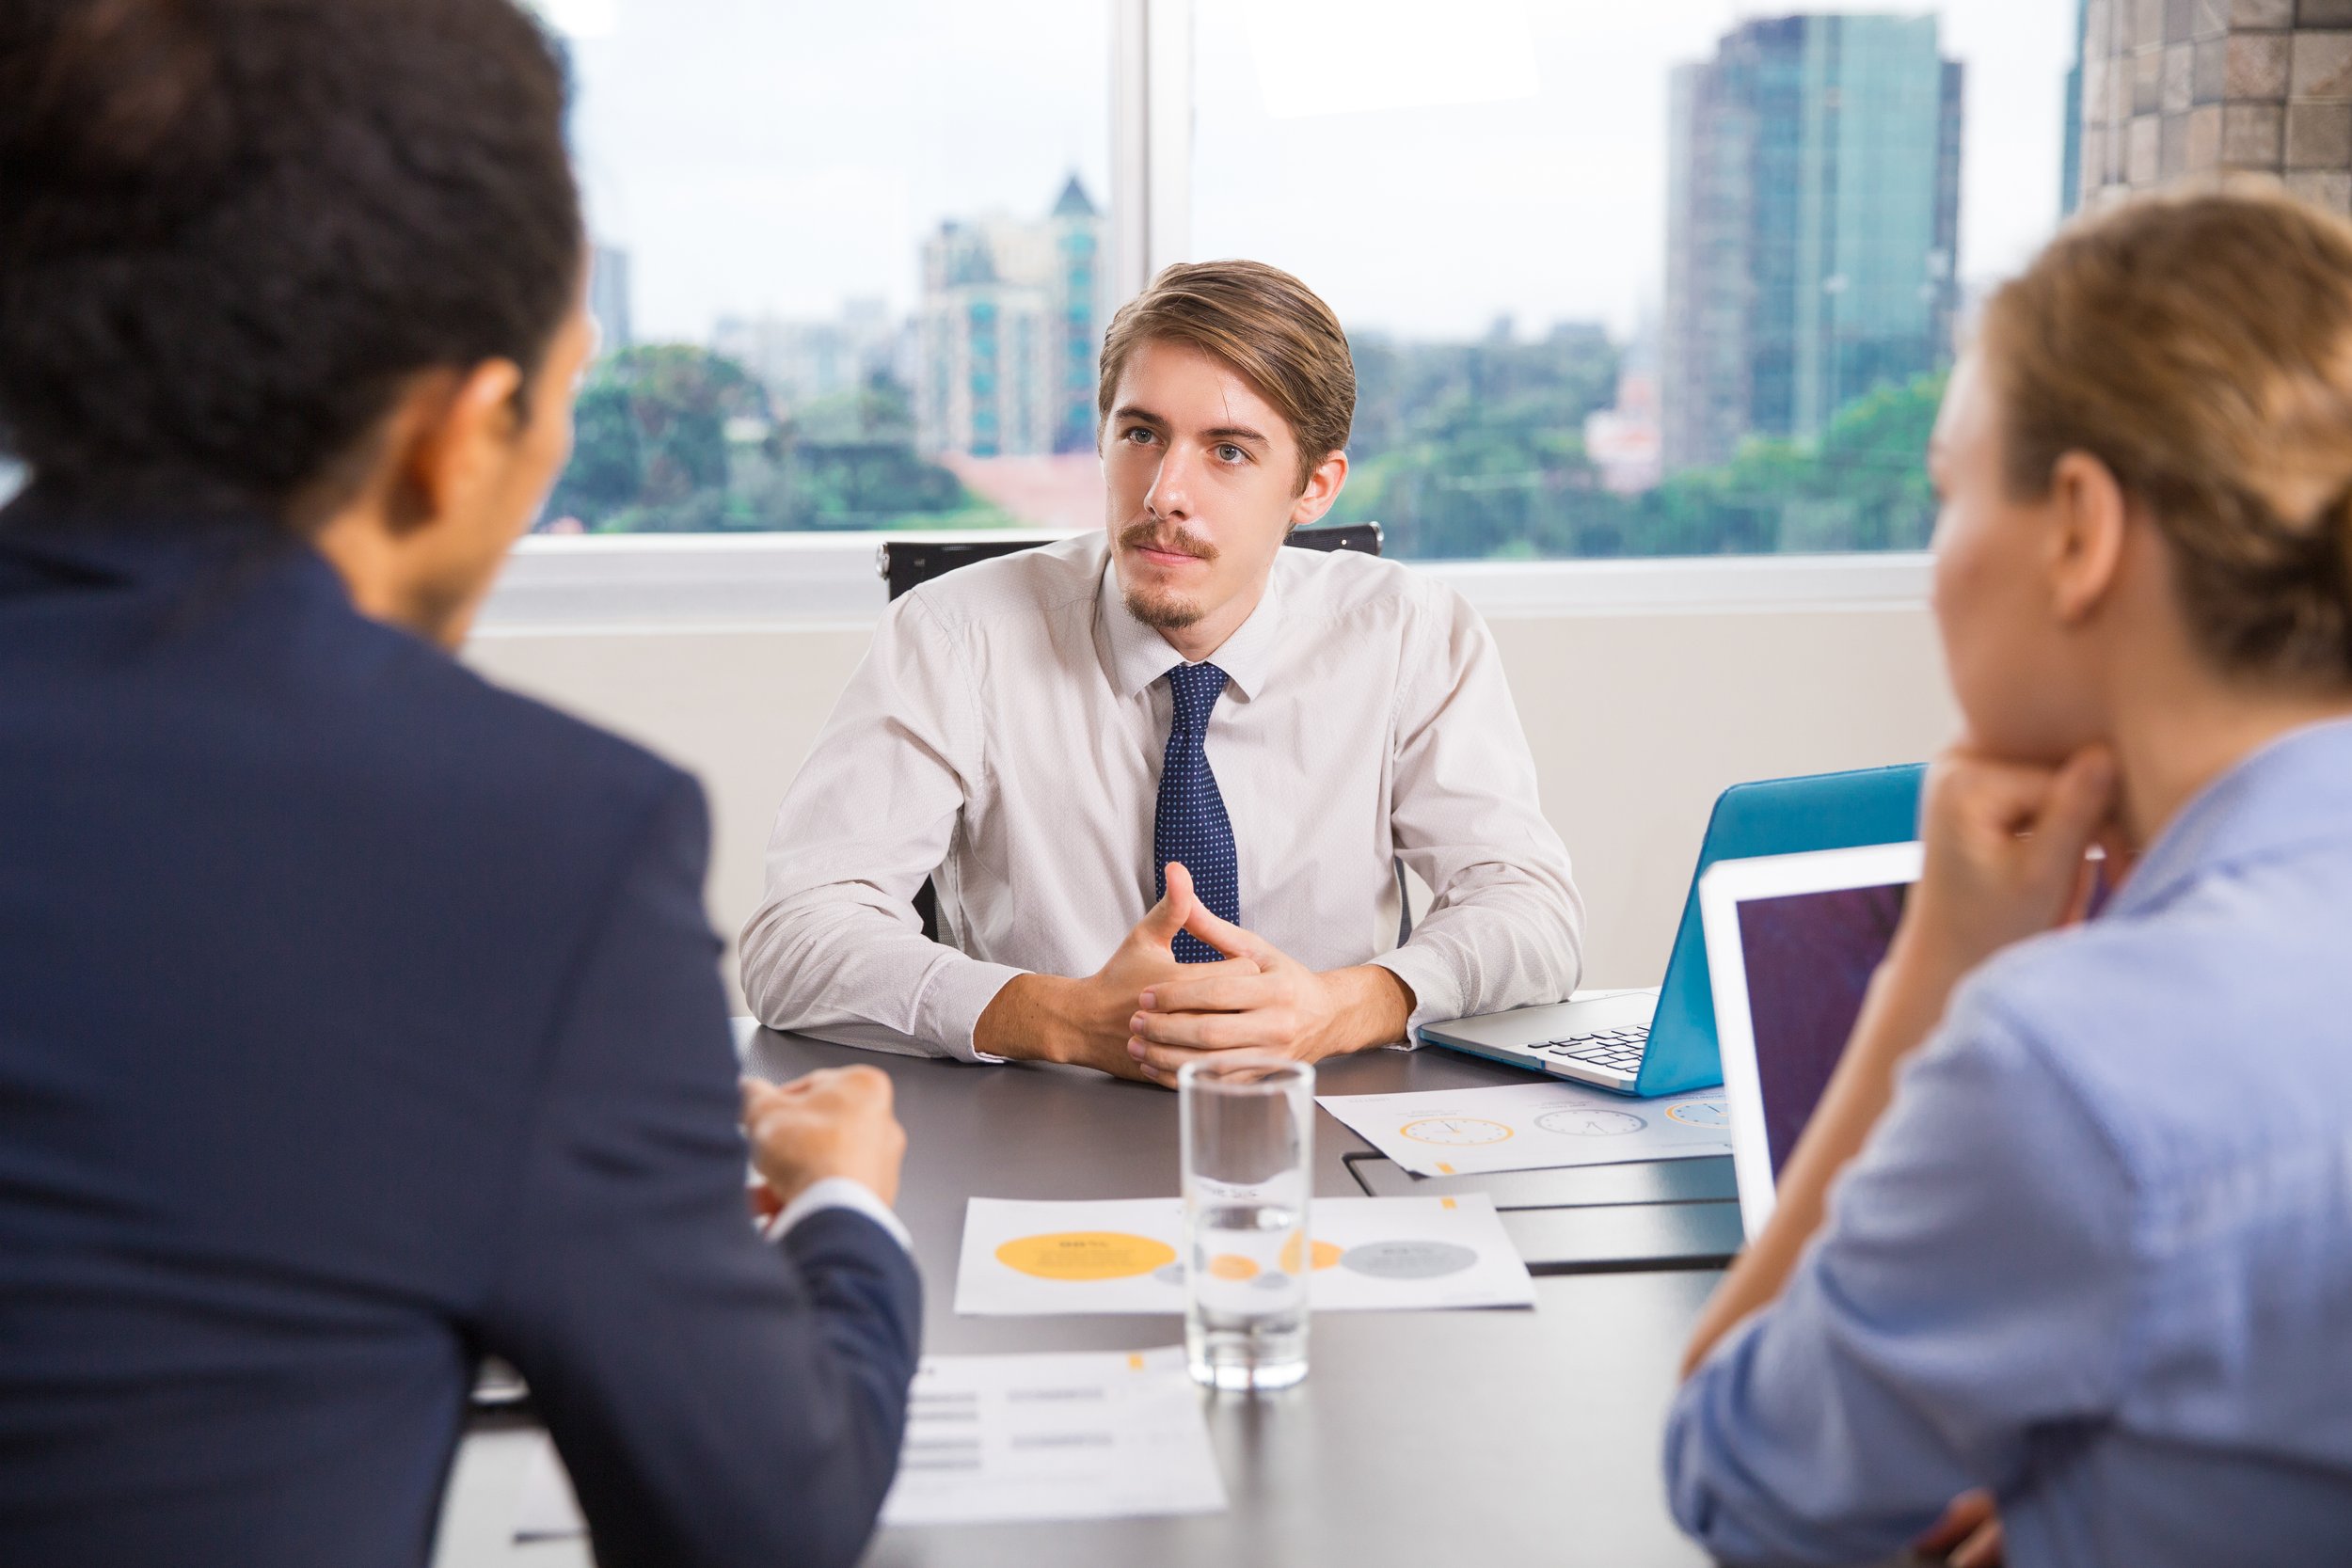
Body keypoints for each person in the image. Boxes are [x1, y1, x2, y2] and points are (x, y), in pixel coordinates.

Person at [0, 4, 916, 1565]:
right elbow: (761, 1523)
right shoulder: (534, 847)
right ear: (457, 429)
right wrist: (845, 1208)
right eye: (557, 392)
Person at [1663, 189, 2352, 1566]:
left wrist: (1938, 968)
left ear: (2079, 531)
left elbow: (1741, 1477)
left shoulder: (2075, 1061)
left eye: (1947, 491)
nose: (1935, 567)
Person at [741, 261, 1583, 1082]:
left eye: (1228, 452)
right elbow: (798, 936)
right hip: (1040, 1126)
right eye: (1141, 435)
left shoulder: (1412, 634)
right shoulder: (953, 638)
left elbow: (1532, 914)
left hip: (1323, 1122)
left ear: (1314, 486)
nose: (1165, 494)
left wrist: (1344, 1006)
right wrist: (1064, 1019)